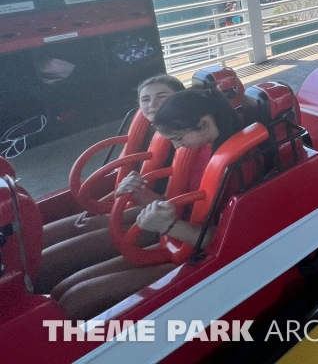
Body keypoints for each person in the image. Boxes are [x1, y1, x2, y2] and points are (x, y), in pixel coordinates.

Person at [45, 88, 244, 319]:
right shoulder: (199, 147)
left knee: (79, 299)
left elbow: (226, 241)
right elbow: (180, 203)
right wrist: (142, 195)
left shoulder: (238, 167)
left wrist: (169, 226)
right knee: (64, 291)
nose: (176, 147)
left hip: (200, 253)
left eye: (179, 138)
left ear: (205, 124)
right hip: (176, 236)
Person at [36, 75, 186, 291]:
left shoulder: (186, 139)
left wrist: (139, 198)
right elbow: (126, 173)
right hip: (137, 203)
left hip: (156, 215)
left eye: (161, 97)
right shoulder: (147, 130)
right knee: (45, 237)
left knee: (54, 266)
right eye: (145, 99)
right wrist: (113, 200)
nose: (152, 104)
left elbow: (179, 203)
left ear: (180, 100)